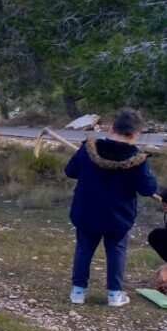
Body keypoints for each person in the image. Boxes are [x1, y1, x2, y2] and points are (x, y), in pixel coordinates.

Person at [65, 109, 161, 307]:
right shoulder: (136, 159)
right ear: (135, 134)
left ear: (111, 128)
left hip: (87, 212)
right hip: (117, 217)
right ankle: (114, 295)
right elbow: (147, 188)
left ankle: (77, 292)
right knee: (116, 251)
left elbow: (70, 171)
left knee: (84, 249)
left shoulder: (88, 149)